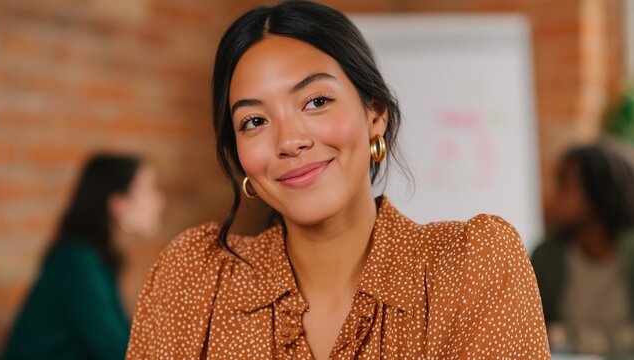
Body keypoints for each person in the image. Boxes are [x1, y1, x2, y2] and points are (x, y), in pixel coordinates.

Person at [126, 1, 549, 358]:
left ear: (375, 116)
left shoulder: (471, 268)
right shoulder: (195, 279)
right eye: (254, 121)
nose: (289, 141)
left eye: (316, 101)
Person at [2, 154, 165, 360]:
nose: (160, 201)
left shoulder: (91, 259)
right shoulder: (77, 263)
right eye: (149, 190)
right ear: (118, 204)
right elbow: (120, 352)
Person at [532, 140, 634, 355]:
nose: (553, 197)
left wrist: (570, 338)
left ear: (600, 193)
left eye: (564, 185)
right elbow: (533, 334)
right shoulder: (546, 257)